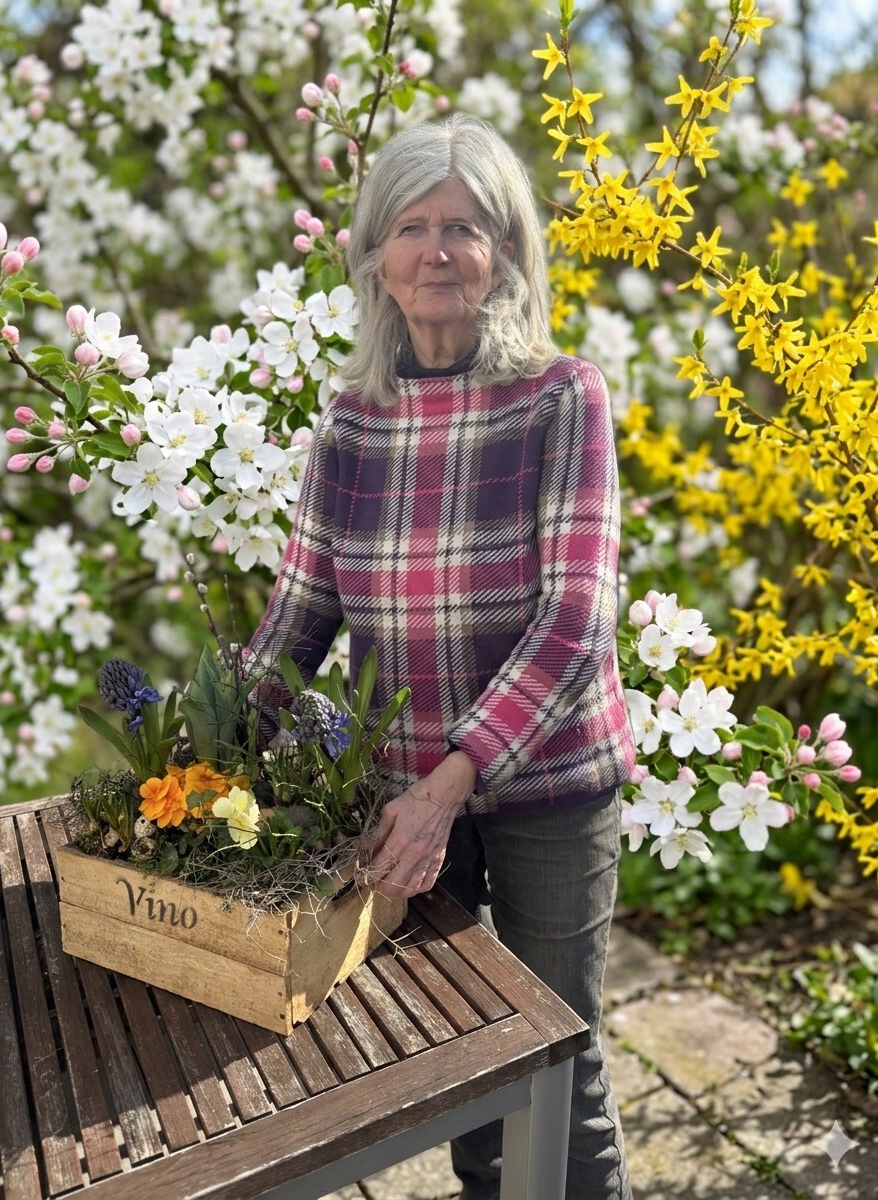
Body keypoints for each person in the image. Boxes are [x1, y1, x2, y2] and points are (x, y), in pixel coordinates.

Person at [247, 112, 636, 1200]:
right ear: (375, 255)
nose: (436, 251)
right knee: (463, 1057)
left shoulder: (561, 396)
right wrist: (201, 763)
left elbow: (576, 620)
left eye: (463, 228)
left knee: (557, 1061)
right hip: (406, 798)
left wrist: (452, 779)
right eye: (411, 227)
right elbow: (298, 614)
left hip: (548, 784)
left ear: (504, 251)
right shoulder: (350, 424)